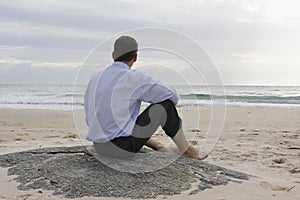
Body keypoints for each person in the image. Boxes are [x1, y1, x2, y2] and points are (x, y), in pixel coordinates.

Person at [84, 35, 208, 160]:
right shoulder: (133, 78)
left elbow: (90, 118)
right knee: (165, 107)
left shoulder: (95, 78)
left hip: (98, 146)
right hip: (121, 149)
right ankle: (187, 149)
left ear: (113, 55)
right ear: (135, 57)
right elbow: (171, 95)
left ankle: (158, 145)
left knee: (121, 120)